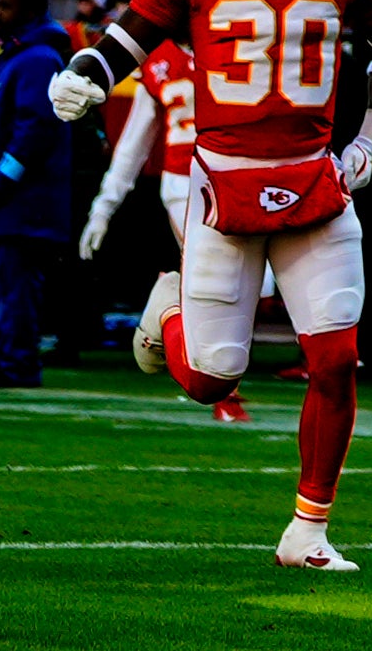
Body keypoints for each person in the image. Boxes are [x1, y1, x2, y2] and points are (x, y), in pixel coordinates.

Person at [44, 0, 372, 570]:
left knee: (335, 358)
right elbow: (131, 33)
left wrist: (369, 141)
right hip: (222, 179)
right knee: (210, 377)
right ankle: (167, 311)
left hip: (313, 175)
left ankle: (308, 530)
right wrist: (86, 71)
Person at [78, 34, 249, 420]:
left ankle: (169, 306)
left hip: (235, 178)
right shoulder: (159, 59)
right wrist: (103, 206)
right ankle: (222, 386)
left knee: (240, 282)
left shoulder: (236, 36)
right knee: (216, 281)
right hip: (183, 183)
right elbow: (133, 144)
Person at [0, 0, 80, 387]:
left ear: (29, 12)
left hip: (20, 207)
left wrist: (3, 177)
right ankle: (3, 360)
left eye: (6, 7)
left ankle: (16, 364)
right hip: (5, 204)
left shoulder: (36, 60)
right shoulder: (19, 59)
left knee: (14, 287)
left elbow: (36, 125)